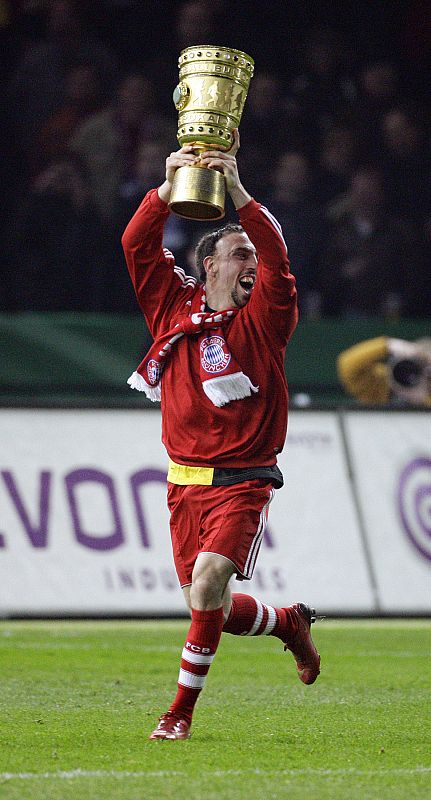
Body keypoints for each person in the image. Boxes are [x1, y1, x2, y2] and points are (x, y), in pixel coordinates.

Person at [121, 131, 321, 741]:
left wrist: (236, 193)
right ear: (208, 265)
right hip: (184, 483)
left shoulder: (264, 318)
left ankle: (178, 714)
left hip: (243, 480)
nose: (251, 266)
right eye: (239, 255)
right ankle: (287, 622)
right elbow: (136, 244)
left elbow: (278, 257)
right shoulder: (172, 308)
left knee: (209, 581)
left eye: (252, 259)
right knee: (206, 605)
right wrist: (167, 186)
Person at [337, 336, 431, 407]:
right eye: (413, 366)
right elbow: (347, 365)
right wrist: (389, 346)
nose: (415, 373)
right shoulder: (382, 382)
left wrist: (422, 399)